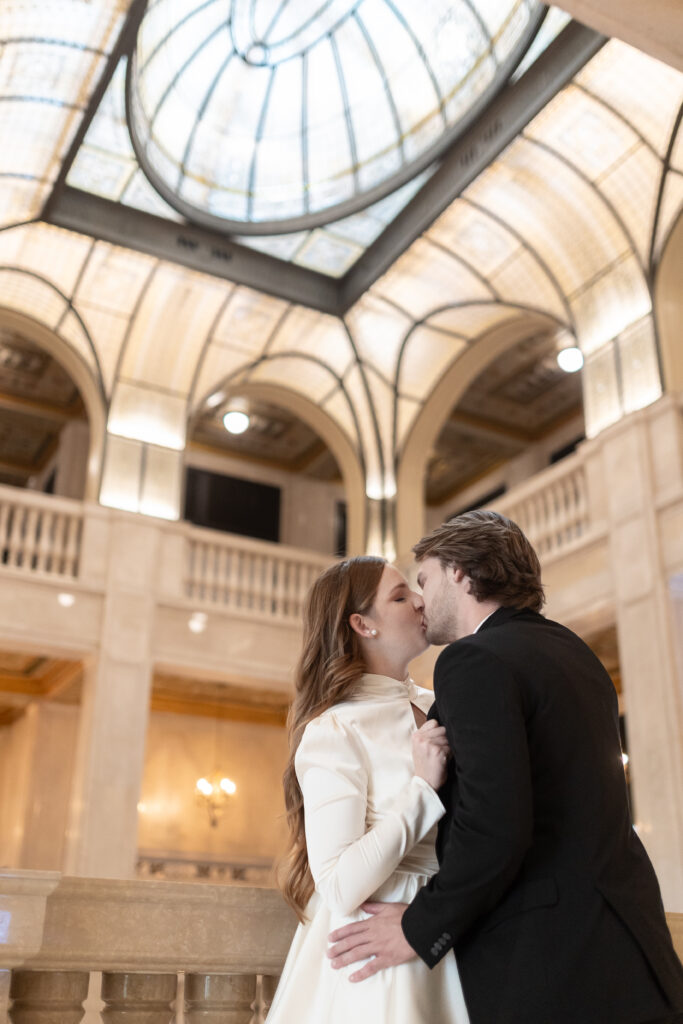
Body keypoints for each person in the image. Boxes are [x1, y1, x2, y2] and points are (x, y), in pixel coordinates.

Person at [328, 511, 683, 1024]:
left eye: (422, 580)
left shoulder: (473, 660)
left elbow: (495, 825)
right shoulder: (575, 652)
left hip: (550, 966)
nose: (421, 600)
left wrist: (419, 926)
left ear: (459, 573)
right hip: (631, 947)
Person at [266, 555, 471, 1024]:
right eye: (400, 597)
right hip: (380, 954)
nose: (421, 601)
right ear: (363, 624)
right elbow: (339, 885)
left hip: (457, 931)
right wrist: (422, 789)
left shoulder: (444, 703)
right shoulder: (335, 729)